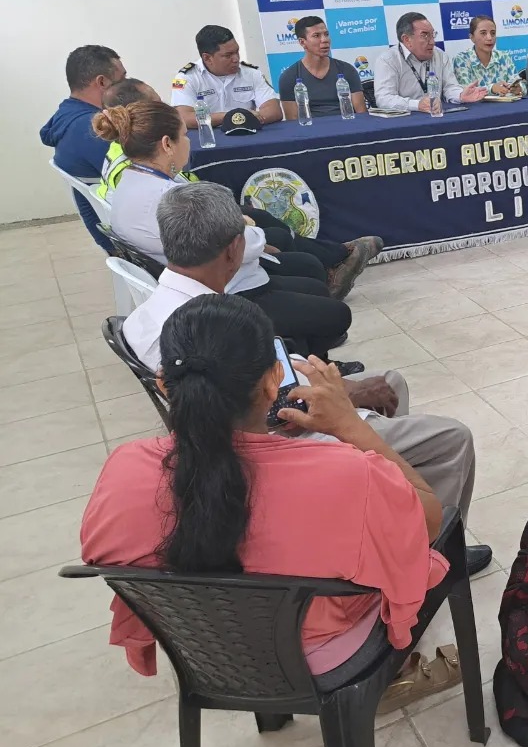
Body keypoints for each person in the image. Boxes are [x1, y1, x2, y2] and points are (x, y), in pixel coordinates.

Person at [82, 294, 459, 685]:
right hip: (324, 658)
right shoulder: (346, 473)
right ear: (273, 380)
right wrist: (350, 426)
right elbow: (429, 520)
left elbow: (106, 556)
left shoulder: (123, 470)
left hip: (200, 653)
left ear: (163, 385)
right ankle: (385, 684)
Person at [118, 182, 490, 576]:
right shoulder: (212, 322)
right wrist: (344, 400)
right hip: (275, 442)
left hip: (236, 428)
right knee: (451, 437)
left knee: (389, 383)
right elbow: (273, 410)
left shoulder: (146, 317)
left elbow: (258, 381)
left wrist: (329, 384)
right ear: (234, 250)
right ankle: (432, 555)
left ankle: (387, 512)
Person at [95, 101, 354, 359]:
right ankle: (295, 362)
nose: (189, 142)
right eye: (184, 135)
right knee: (336, 312)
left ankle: (306, 360)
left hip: (198, 284)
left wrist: (242, 225)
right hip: (224, 297)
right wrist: (247, 225)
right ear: (167, 144)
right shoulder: (171, 198)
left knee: (311, 278)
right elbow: (245, 245)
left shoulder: (128, 183)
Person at [41, 44, 128, 250]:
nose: (127, 86)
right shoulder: (96, 130)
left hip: (106, 224)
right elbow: (139, 184)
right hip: (124, 237)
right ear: (102, 82)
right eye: (123, 79)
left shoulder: (67, 113)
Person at [172, 24, 282, 130]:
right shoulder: (184, 78)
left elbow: (274, 110)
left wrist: (241, 120)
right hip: (209, 137)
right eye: (228, 55)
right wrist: (232, 116)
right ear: (207, 58)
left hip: (246, 133)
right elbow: (184, 118)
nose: (236, 59)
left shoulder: (252, 73)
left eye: (237, 52)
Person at [373, 12, 482, 112]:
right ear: (406, 39)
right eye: (425, 35)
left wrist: (460, 95)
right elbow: (384, 99)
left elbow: (450, 87)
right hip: (404, 120)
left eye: (432, 35)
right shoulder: (388, 60)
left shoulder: (440, 55)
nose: (432, 42)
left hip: (437, 115)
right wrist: (417, 105)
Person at [278, 16, 369, 119]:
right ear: (302, 42)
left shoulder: (347, 70)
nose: (324, 40)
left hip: (347, 125)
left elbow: (362, 115)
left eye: (326, 34)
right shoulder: (289, 77)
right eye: (316, 36)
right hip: (311, 128)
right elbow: (293, 121)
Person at [451, 14, 521, 96]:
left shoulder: (504, 57)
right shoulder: (462, 60)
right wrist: (492, 89)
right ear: (472, 37)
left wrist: (517, 89)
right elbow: (465, 92)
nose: (489, 38)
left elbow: (520, 84)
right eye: (483, 33)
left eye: (493, 33)